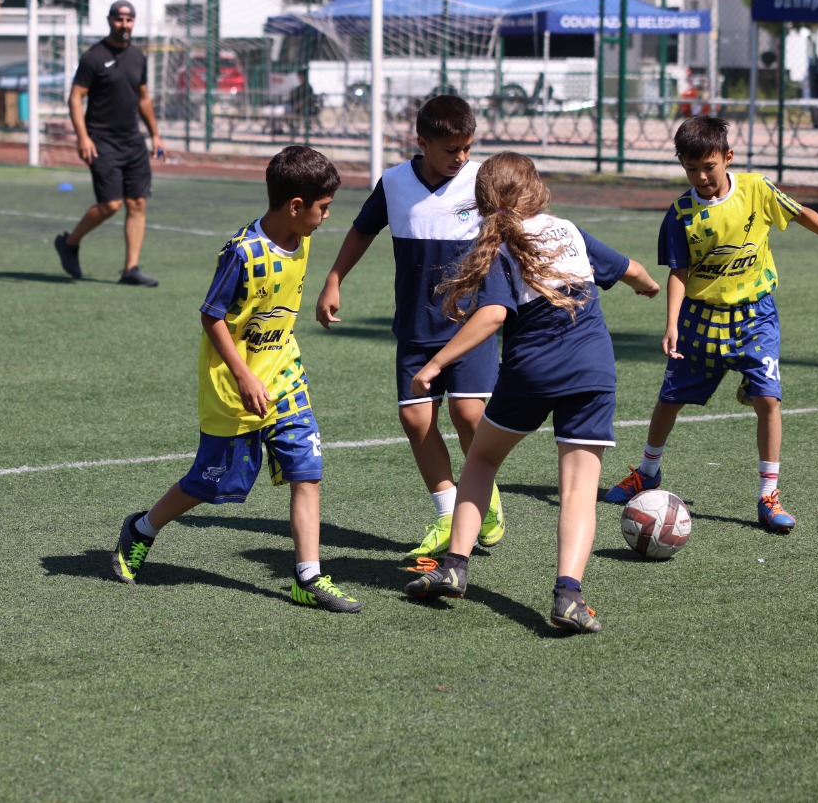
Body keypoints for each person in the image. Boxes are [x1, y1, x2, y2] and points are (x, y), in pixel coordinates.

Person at [402, 153, 660, 634]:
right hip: (592, 371)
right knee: (578, 491)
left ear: (483, 201)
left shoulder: (499, 245)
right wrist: (647, 286)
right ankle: (569, 596)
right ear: (536, 188)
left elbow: (495, 314)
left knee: (481, 461)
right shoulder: (570, 231)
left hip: (532, 371)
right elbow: (633, 270)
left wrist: (436, 363)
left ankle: (455, 565)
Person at [111, 145, 361, 613]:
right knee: (211, 483)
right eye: (324, 208)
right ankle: (141, 529)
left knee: (307, 470)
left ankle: (307, 577)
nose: (327, 217)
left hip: (285, 374)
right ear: (295, 206)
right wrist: (244, 375)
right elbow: (212, 318)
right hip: (235, 386)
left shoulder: (300, 235)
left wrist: (326, 291)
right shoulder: (243, 253)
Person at [602, 115, 818, 533]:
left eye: (709, 166)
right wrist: (671, 323)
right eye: (691, 169)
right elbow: (678, 273)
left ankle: (768, 495)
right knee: (670, 399)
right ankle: (647, 471)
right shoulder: (680, 215)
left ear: (727, 157)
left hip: (754, 317)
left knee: (769, 400)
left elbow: (800, 214)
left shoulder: (757, 189)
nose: (702, 176)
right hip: (700, 320)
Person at [315, 95, 508, 560]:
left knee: (468, 415)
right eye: (449, 149)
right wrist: (334, 279)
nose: (460, 158)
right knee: (415, 418)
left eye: (467, 147)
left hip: (469, 325)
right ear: (421, 142)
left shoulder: (483, 180)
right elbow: (363, 229)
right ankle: (448, 510)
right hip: (416, 325)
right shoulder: (395, 182)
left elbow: (514, 232)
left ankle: (484, 496)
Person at [54, 0, 166, 287]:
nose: (124, 25)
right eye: (119, 19)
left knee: (138, 202)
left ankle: (131, 269)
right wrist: (83, 136)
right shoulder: (93, 57)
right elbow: (76, 98)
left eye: (129, 20)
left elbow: (143, 97)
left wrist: (155, 134)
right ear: (110, 20)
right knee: (111, 205)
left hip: (132, 141)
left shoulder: (138, 57)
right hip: (101, 141)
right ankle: (69, 242)